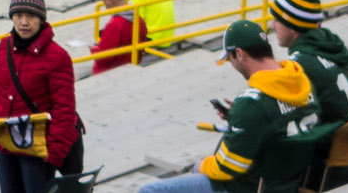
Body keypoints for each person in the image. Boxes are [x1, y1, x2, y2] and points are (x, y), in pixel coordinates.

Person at [135, 20, 322, 193]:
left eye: (230, 59)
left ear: (239, 54)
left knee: (150, 191)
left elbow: (228, 167)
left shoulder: (251, 104)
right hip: (288, 181)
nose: (232, 64)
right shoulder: (303, 85)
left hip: (249, 187)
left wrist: (202, 165)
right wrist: (238, 120)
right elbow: (275, 122)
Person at [0, 0, 79, 193]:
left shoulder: (57, 57)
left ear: (41, 19)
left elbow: (64, 110)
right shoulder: (4, 46)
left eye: (30, 16)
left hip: (37, 149)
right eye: (18, 15)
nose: (23, 22)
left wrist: (53, 154)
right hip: (5, 143)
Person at [268, 0, 348, 126]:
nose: (272, 26)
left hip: (346, 138)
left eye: (276, 20)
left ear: (292, 26)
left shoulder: (299, 64)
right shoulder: (336, 47)